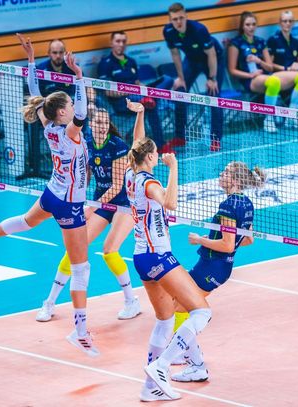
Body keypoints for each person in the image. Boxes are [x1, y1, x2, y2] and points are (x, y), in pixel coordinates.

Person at [0, 34, 99, 357]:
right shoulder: (69, 131)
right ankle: (79, 331)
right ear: (62, 112)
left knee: (25, 221)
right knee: (81, 268)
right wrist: (79, 76)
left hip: (52, 192)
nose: (72, 107)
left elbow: (37, 96)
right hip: (69, 203)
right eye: (68, 105)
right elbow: (81, 113)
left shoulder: (48, 125)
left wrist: (31, 60)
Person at [35, 101, 145, 322]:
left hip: (123, 203)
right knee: (75, 249)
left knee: (109, 250)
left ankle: (131, 301)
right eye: (98, 122)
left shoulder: (117, 145)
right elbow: (85, 175)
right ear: (91, 124)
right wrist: (77, 198)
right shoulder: (85, 142)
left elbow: (116, 186)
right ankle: (49, 303)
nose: (102, 126)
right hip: (101, 202)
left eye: (106, 122)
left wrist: (91, 207)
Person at [125, 139, 212, 401]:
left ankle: (150, 388)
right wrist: (174, 167)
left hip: (141, 257)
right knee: (202, 312)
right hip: (158, 256)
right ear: (150, 157)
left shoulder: (130, 176)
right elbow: (170, 203)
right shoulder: (149, 183)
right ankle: (161, 366)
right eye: (156, 153)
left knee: (165, 319)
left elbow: (137, 140)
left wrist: (140, 119)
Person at [170, 161, 264, 383]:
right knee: (180, 304)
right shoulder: (246, 203)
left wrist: (200, 240)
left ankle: (195, 363)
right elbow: (247, 240)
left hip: (211, 267)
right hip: (218, 266)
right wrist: (217, 242)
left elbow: (228, 245)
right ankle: (186, 353)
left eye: (226, 172)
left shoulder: (228, 206)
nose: (221, 174)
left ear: (235, 180)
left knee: (182, 307)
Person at [228, 11, 298, 132]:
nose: (251, 27)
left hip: (267, 75)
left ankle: (292, 116)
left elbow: (270, 67)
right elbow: (232, 70)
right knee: (273, 81)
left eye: (253, 24)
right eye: (247, 24)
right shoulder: (236, 43)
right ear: (242, 26)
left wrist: (259, 61)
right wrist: (250, 74)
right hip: (250, 79)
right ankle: (269, 119)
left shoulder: (260, 41)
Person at [162, 2, 225, 153]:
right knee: (180, 93)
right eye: (175, 19)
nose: (178, 22)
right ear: (170, 20)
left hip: (213, 59)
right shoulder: (168, 31)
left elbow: (211, 54)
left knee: (214, 95)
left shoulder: (199, 30)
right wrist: (180, 77)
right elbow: (175, 54)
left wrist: (212, 78)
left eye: (181, 18)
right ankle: (180, 137)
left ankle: (215, 139)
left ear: (186, 16)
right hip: (191, 60)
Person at [98, 31, 174, 148]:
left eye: (123, 41)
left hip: (139, 95)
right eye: (118, 41)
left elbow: (137, 82)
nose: (121, 44)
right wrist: (131, 90)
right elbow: (108, 92)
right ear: (111, 43)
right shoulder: (105, 64)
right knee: (150, 106)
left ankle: (149, 98)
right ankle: (161, 145)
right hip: (122, 101)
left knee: (167, 79)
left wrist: (143, 88)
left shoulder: (131, 61)